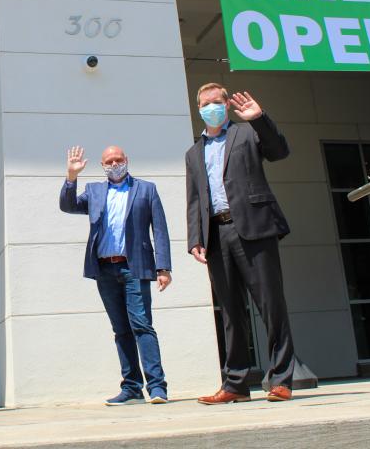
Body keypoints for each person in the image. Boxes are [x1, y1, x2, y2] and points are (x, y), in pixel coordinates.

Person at [185, 83, 296, 404]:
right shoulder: (193, 153)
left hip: (255, 228)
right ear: (199, 109)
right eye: (206, 103)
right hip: (217, 236)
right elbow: (195, 199)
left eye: (218, 101)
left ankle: (280, 380)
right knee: (231, 312)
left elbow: (279, 152)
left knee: (271, 305)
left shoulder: (247, 133)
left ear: (226, 104)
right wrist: (195, 238)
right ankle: (235, 384)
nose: (212, 107)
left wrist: (260, 118)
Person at [59, 145, 172, 406]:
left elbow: (161, 230)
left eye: (118, 159)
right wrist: (71, 177)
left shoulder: (146, 189)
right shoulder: (94, 192)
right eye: (108, 161)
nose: (114, 163)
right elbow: (68, 206)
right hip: (105, 269)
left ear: (127, 160)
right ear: (102, 165)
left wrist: (163, 267)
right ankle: (131, 387)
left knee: (142, 325)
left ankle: (157, 387)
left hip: (135, 267)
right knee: (121, 330)